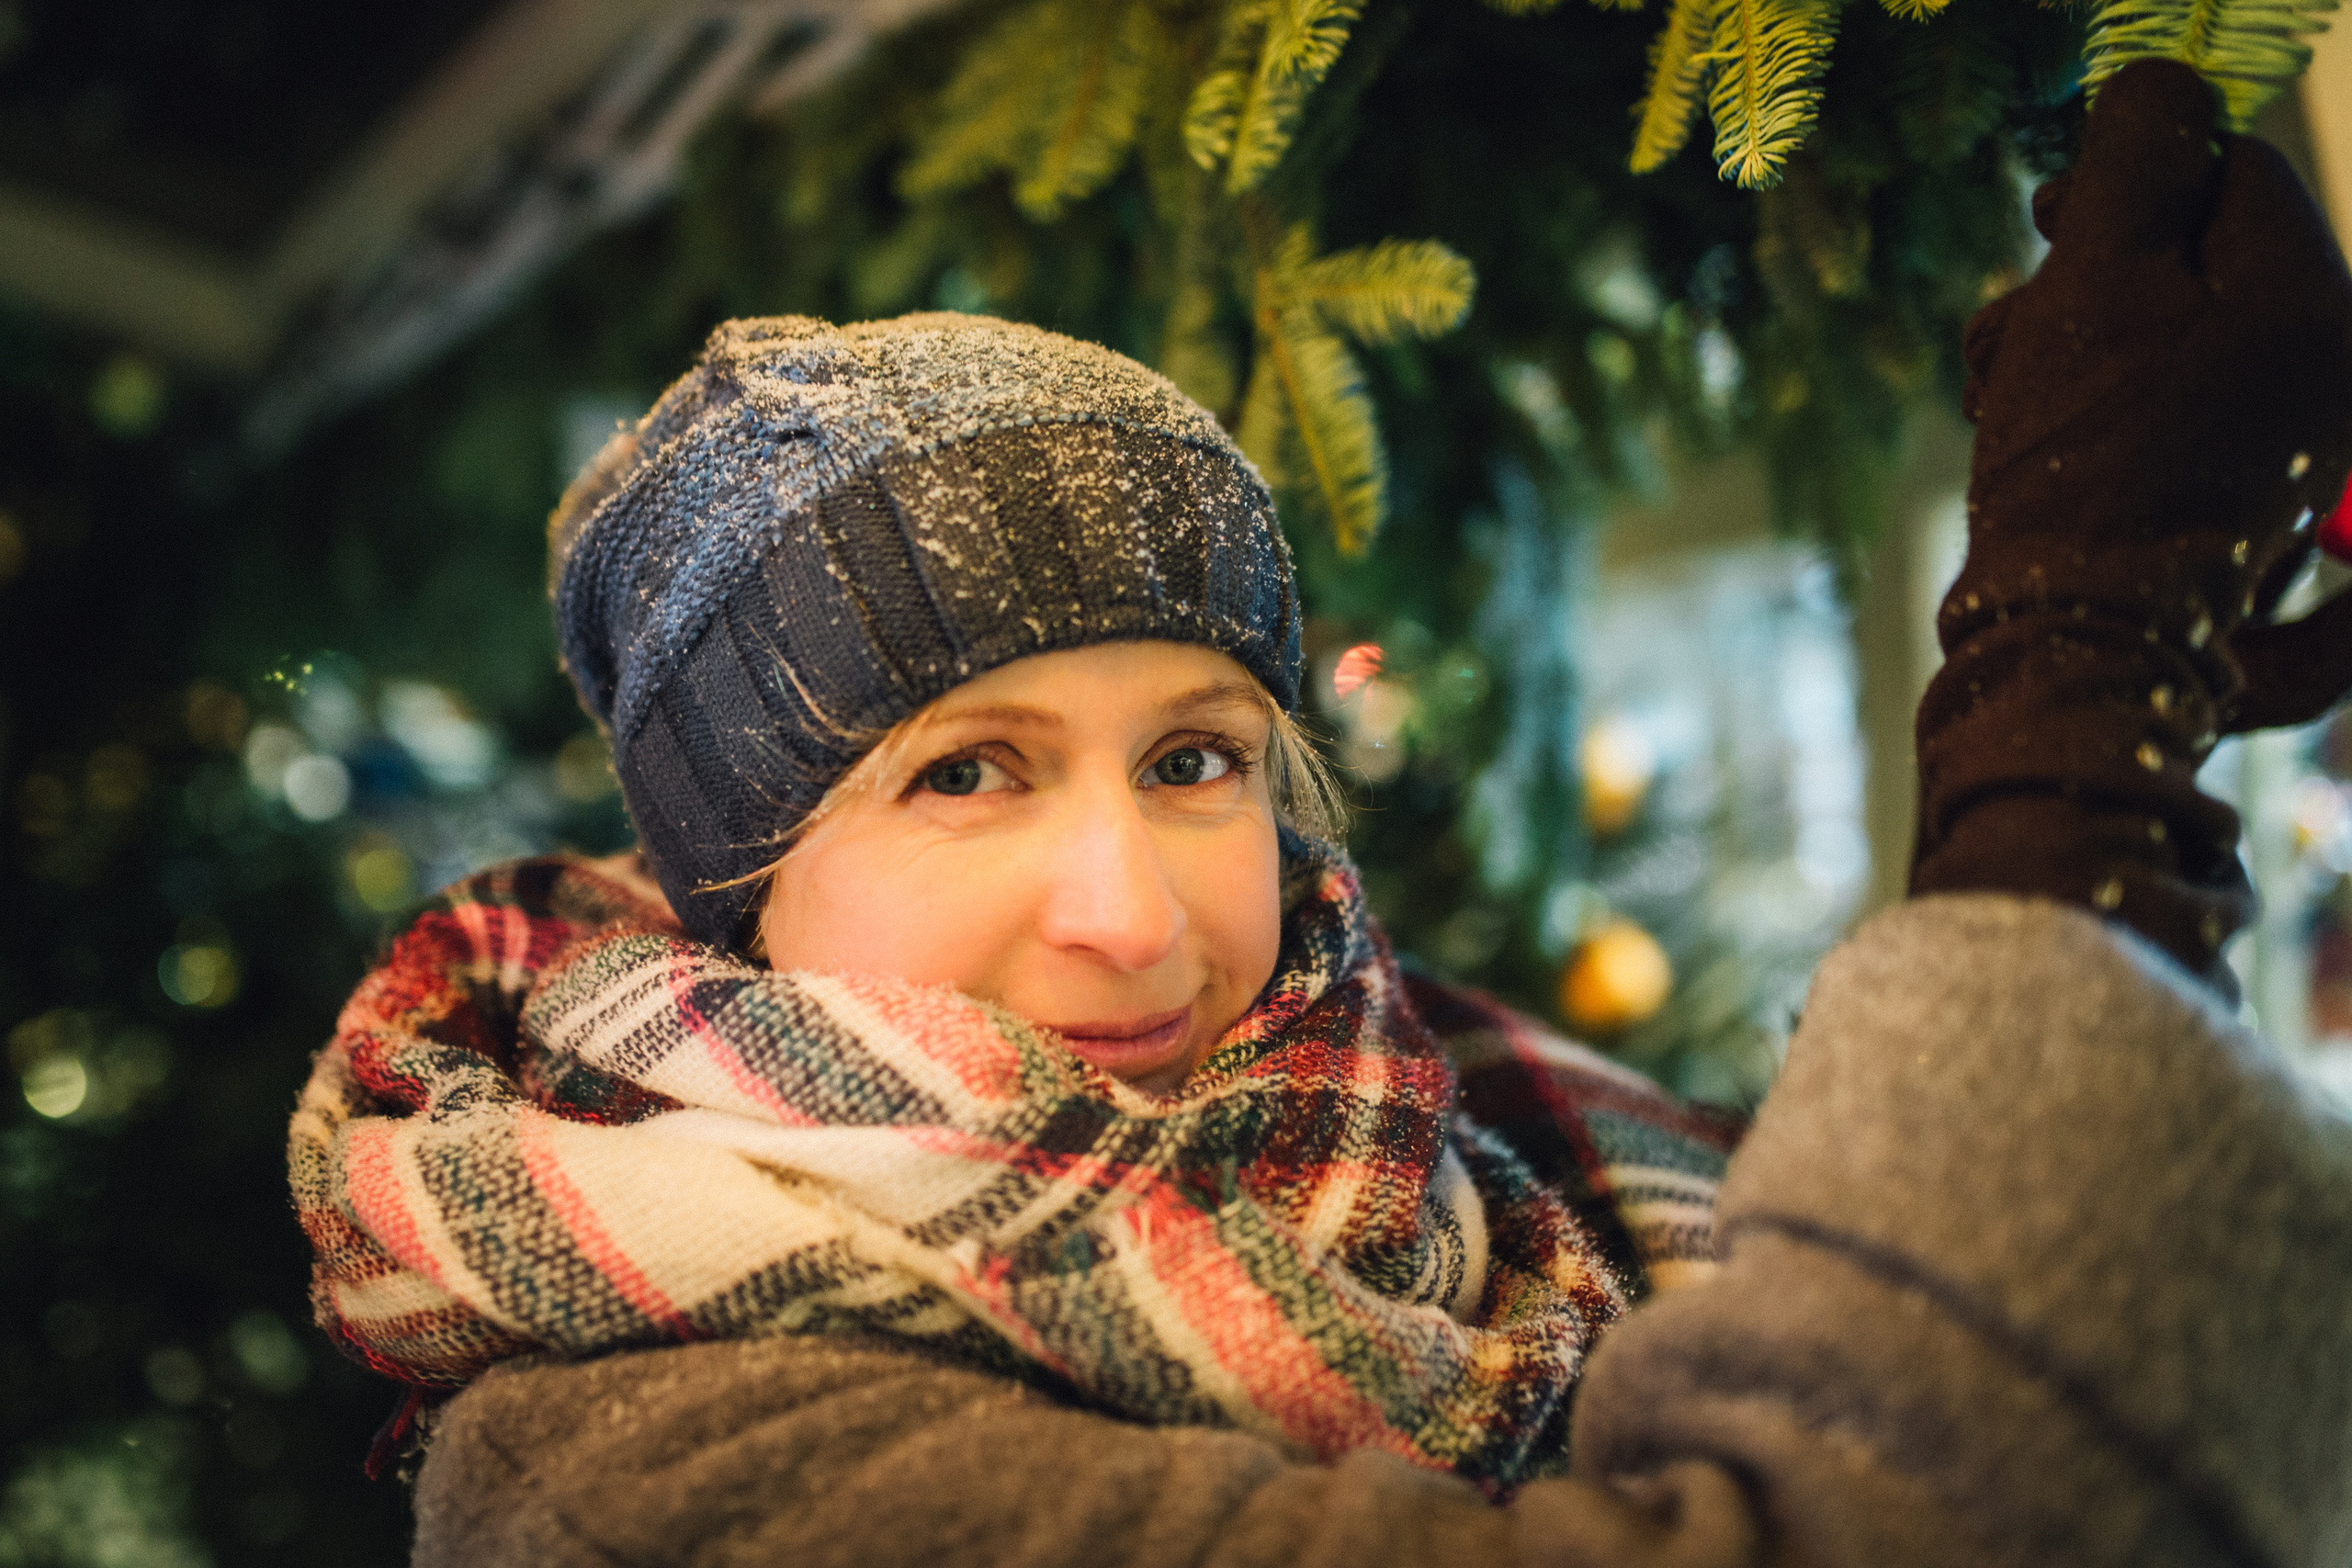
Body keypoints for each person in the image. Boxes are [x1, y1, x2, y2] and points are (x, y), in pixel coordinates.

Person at [289, 60, 2352, 1567]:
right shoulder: (645, 1456)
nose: (1135, 916)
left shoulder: (1486, 1139)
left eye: (1191, 756)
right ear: (737, 892)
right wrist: (2073, 687)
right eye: (961, 771)